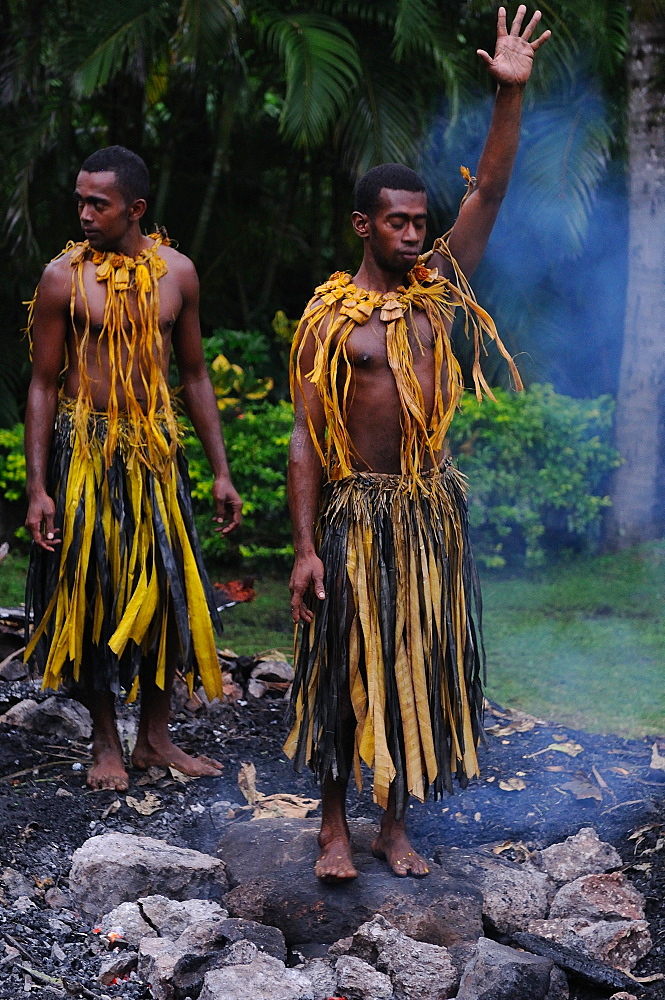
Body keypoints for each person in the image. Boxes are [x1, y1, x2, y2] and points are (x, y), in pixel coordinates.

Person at [285, 5, 550, 880]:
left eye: (417, 221)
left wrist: (506, 95)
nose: (411, 231)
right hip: (352, 515)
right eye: (396, 221)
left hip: (425, 512)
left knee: (413, 660)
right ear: (364, 225)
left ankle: (394, 823)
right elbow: (302, 439)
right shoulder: (329, 319)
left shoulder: (438, 296)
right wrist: (301, 549)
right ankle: (331, 827)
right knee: (338, 671)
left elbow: (491, 192)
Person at [23, 145, 242, 792]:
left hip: (155, 458)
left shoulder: (178, 273)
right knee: (92, 597)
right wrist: (38, 486)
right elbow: (41, 384)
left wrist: (220, 471)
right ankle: (105, 744)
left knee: (168, 595)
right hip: (85, 454)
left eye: (100, 203)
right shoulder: (63, 277)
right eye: (81, 201)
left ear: (135, 208)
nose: (86, 214)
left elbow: (196, 375)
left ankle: (155, 738)